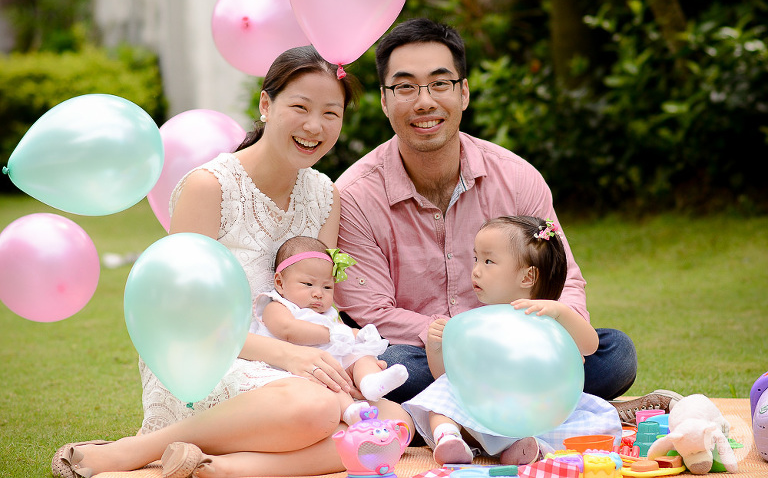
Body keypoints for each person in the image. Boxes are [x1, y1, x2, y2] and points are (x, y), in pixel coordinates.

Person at [51, 45, 412, 478]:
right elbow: (181, 318)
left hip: (294, 357)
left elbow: (318, 300)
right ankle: (133, 451)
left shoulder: (324, 195)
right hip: (207, 356)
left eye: (331, 114)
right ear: (265, 104)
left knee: (394, 425)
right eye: (300, 107)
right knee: (315, 409)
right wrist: (285, 356)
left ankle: (212, 468)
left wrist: (340, 354)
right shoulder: (210, 187)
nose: (315, 126)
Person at [334, 17, 676, 417]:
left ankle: (461, 413)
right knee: (394, 371)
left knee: (616, 354)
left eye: (440, 83)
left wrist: (559, 331)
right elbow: (374, 312)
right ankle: (559, 406)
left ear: (463, 93)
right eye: (406, 87)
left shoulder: (514, 176)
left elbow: (562, 276)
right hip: (428, 352)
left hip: (521, 343)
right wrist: (465, 338)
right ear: (384, 100)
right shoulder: (355, 195)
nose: (424, 101)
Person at [402, 216, 621, 465]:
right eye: (475, 259)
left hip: (543, 409)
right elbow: (449, 376)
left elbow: (590, 345)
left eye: (488, 261)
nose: (476, 270)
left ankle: (528, 446)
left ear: (527, 277)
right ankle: (449, 437)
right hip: (487, 411)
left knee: (596, 423)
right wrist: (436, 347)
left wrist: (562, 312)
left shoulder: (547, 316)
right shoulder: (477, 324)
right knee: (442, 394)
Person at [251, 235, 409, 423]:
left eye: (327, 287)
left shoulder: (329, 312)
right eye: (308, 284)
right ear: (279, 283)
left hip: (334, 360)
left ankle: (371, 382)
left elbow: (345, 334)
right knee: (328, 380)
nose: (318, 293)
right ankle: (350, 411)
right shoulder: (277, 304)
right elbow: (287, 329)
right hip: (299, 364)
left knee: (362, 358)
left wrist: (360, 336)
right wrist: (333, 334)